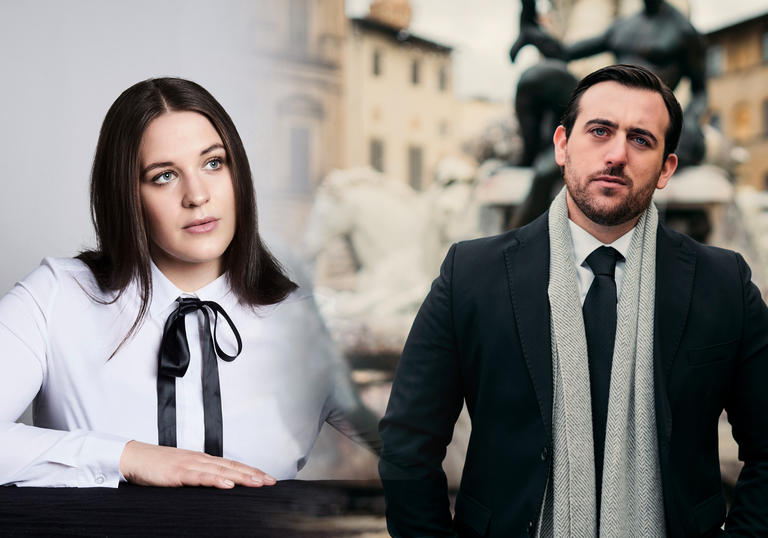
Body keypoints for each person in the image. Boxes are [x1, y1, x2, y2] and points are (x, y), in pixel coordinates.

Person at [379, 64, 768, 537]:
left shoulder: (723, 283)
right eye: (599, 131)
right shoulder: (471, 275)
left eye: (641, 139)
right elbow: (407, 443)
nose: (617, 154)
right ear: (562, 145)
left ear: (667, 167)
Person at [0, 77, 377, 488]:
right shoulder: (57, 297)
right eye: (164, 176)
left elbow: (417, 446)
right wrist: (126, 456)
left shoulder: (303, 320)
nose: (197, 195)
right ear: (126, 195)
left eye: (214, 163)